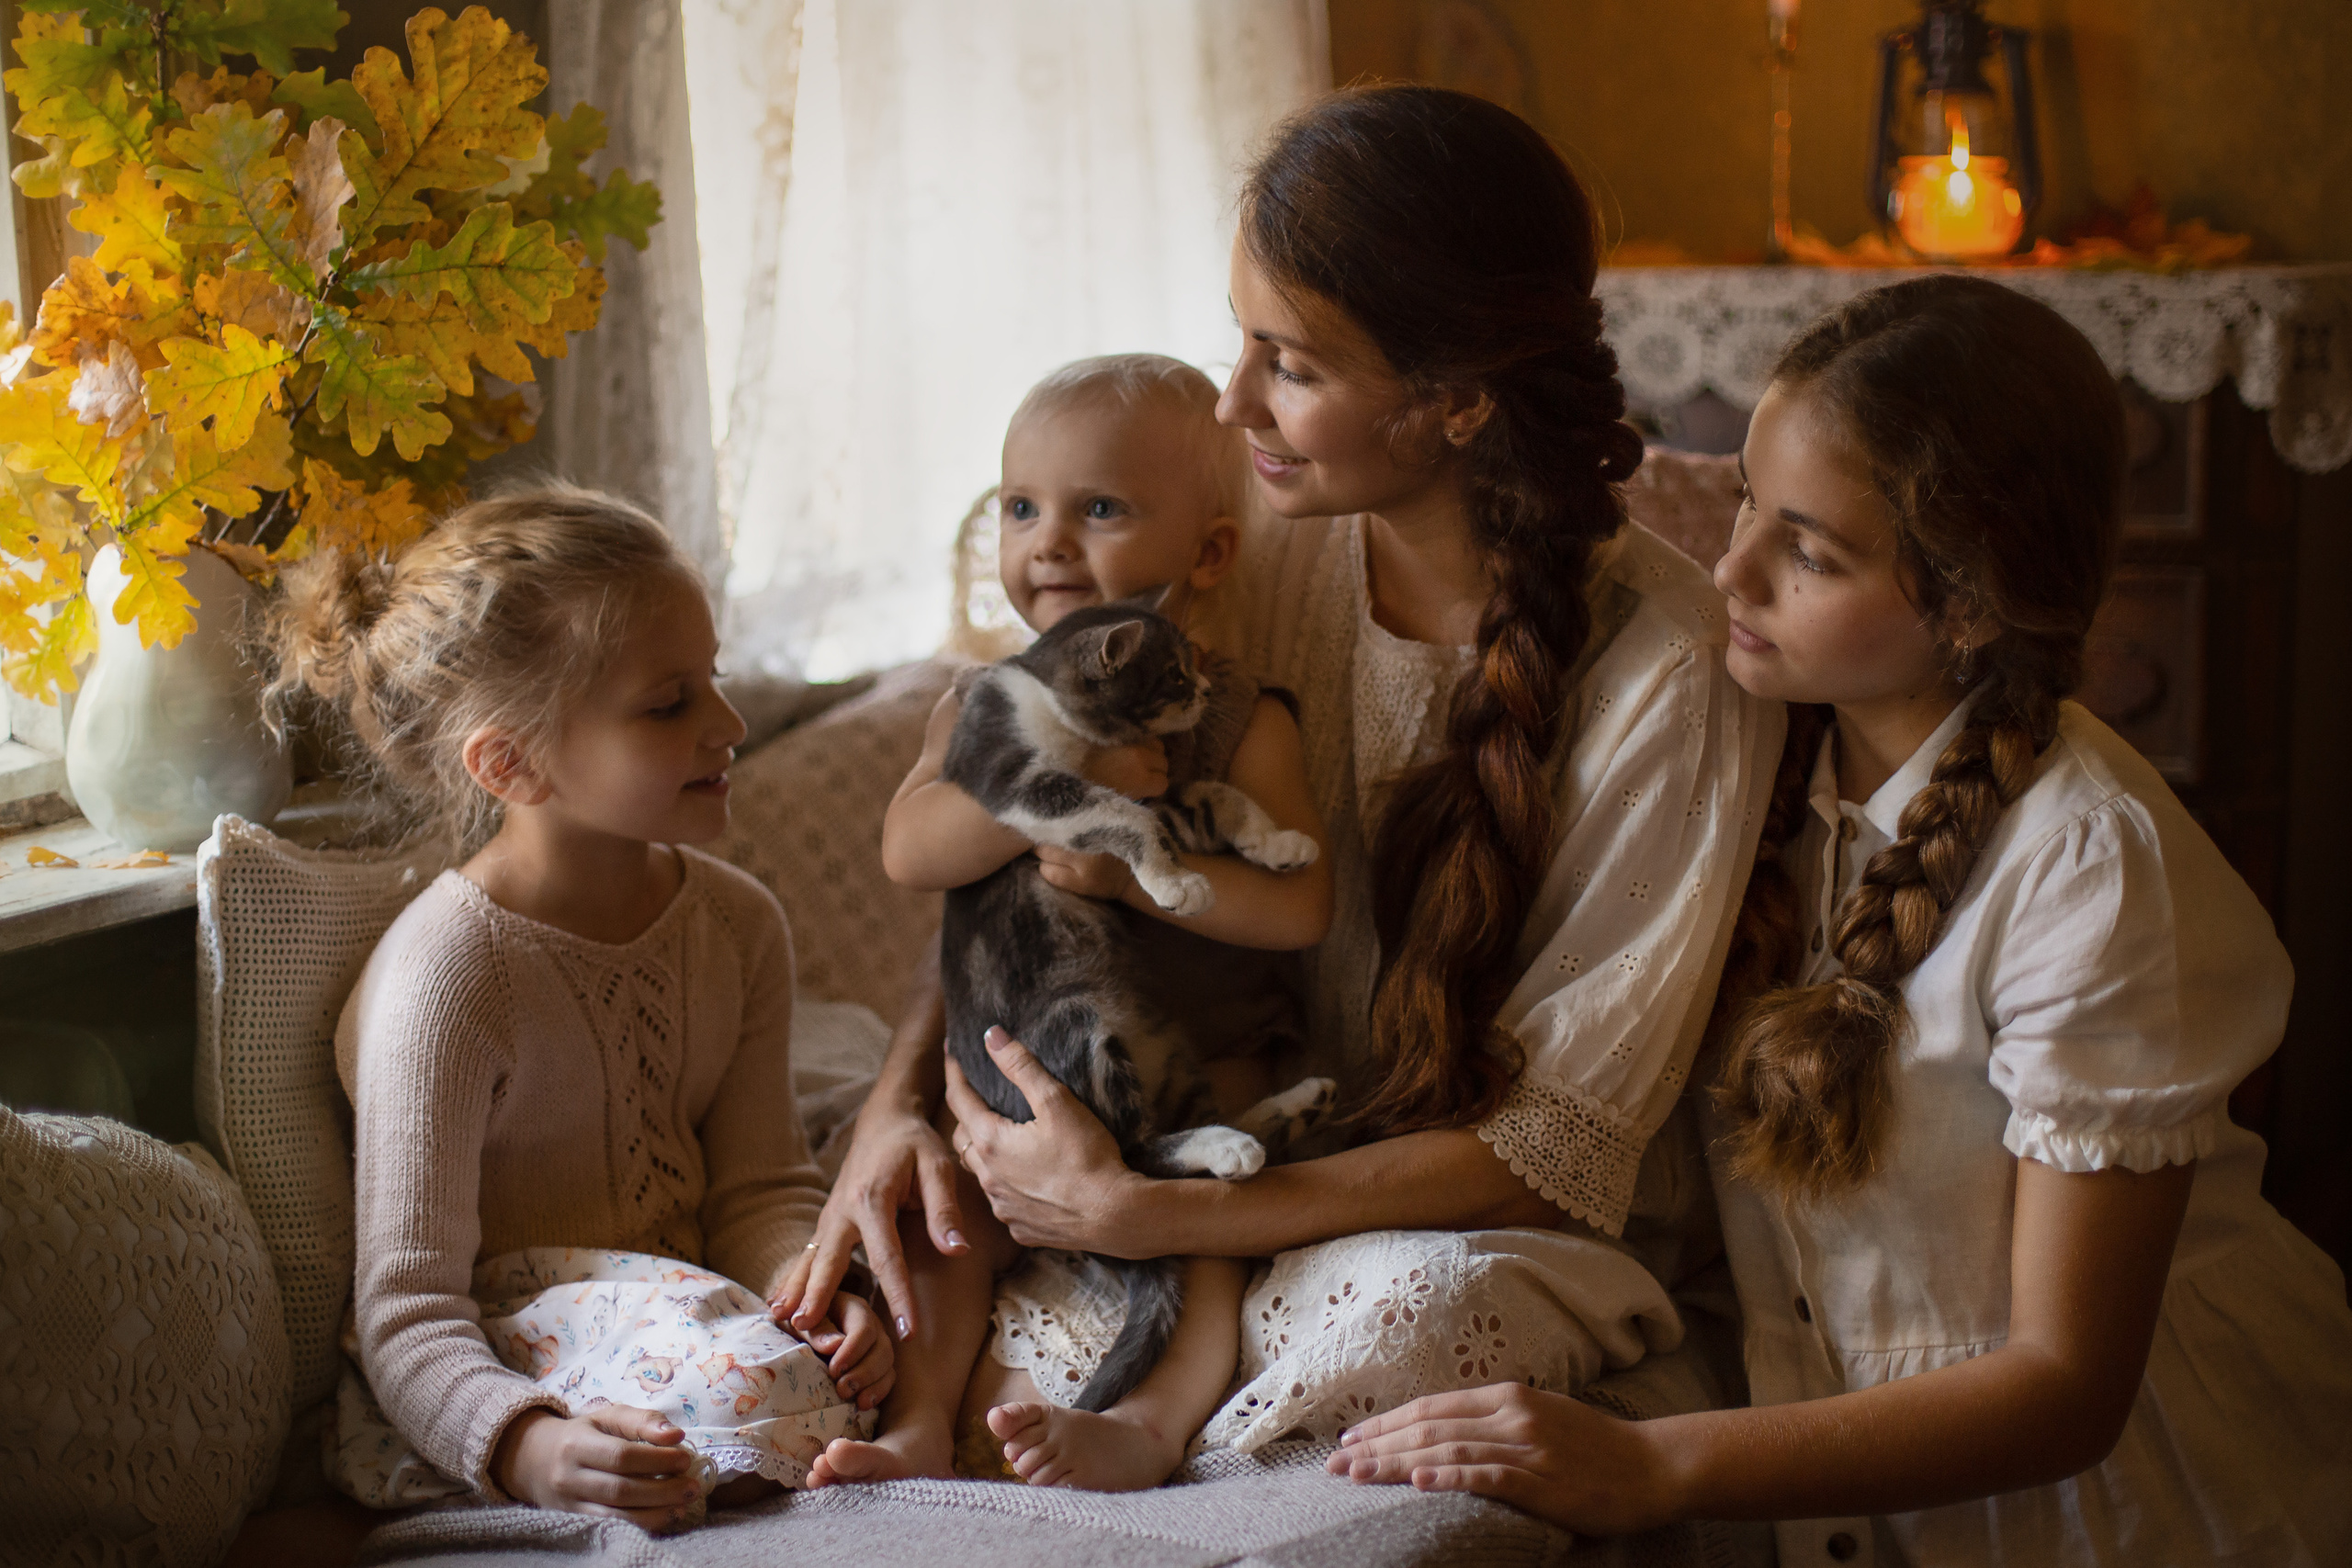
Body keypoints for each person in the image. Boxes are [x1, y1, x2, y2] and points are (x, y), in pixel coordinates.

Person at [775, 85, 1782, 1466]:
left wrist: (1161, 1218)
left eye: (1290, 364)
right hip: (1198, 1139)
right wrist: (898, 1112)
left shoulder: (1669, 671)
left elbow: (1554, 1148)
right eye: (1240, 338)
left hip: (1456, 1219)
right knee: (890, 1289)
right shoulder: (1234, 546)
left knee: (1413, 1317)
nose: (1233, 400)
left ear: (1458, 404)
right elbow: (1027, 832)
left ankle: (1165, 1386)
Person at [1328, 276, 2352, 1566]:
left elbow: (2067, 1385)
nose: (1731, 565)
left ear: (1973, 603)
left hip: (2147, 1508)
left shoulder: (2095, 869)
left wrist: (1650, 1461)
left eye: (1809, 551)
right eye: (1748, 499)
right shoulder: (1746, 755)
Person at [275, 490, 892, 1529]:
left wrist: (814, 1297)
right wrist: (526, 1445)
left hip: (703, 1312)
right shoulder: (448, 978)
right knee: (755, 1383)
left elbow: (759, 1189)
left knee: (937, 1284)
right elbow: (410, 1311)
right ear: (508, 762)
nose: (729, 727)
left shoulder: (738, 926)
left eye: (716, 682)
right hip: (527, 1347)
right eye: (670, 704)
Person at [805, 352, 1333, 1491]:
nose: (1048, 542)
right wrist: (1075, 792)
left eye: (1099, 509)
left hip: (1197, 1062)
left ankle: (1148, 1423)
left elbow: (1299, 909)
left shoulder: (1237, 718)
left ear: (1206, 553)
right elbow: (910, 848)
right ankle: (917, 1420)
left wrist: (1127, 879)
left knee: (1203, 1228)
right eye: (1020, 508)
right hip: (1024, 1068)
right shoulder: (985, 703)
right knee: (951, 1217)